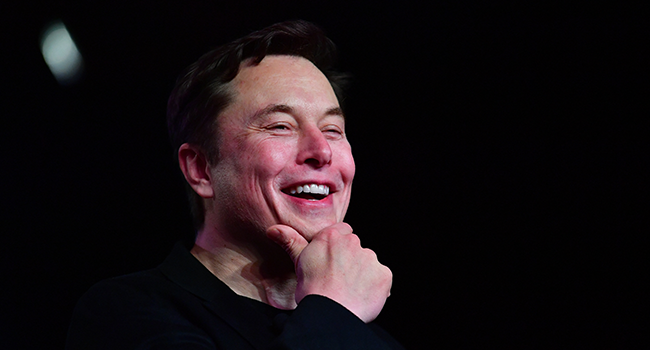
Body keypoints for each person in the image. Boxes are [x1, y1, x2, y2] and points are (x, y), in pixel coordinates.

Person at [66, 20, 403, 349]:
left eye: (333, 130)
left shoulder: (373, 339)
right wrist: (334, 311)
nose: (321, 151)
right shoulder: (127, 312)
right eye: (280, 126)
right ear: (201, 169)